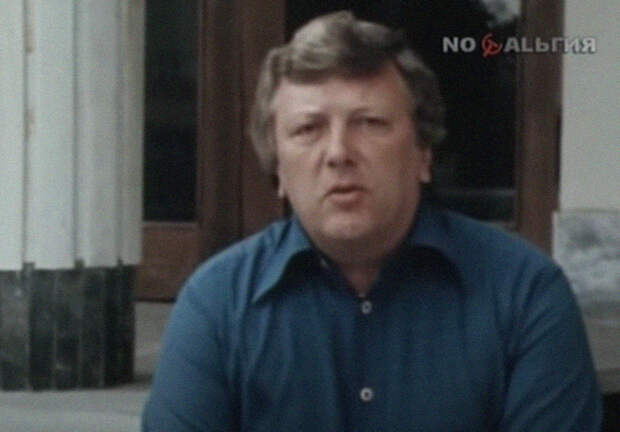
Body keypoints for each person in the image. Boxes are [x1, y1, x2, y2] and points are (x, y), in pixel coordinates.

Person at [142, 11, 602, 431]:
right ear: (278, 168)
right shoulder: (218, 305)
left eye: (369, 123)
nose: (338, 153)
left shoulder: (524, 296)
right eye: (308, 129)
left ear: (423, 153)